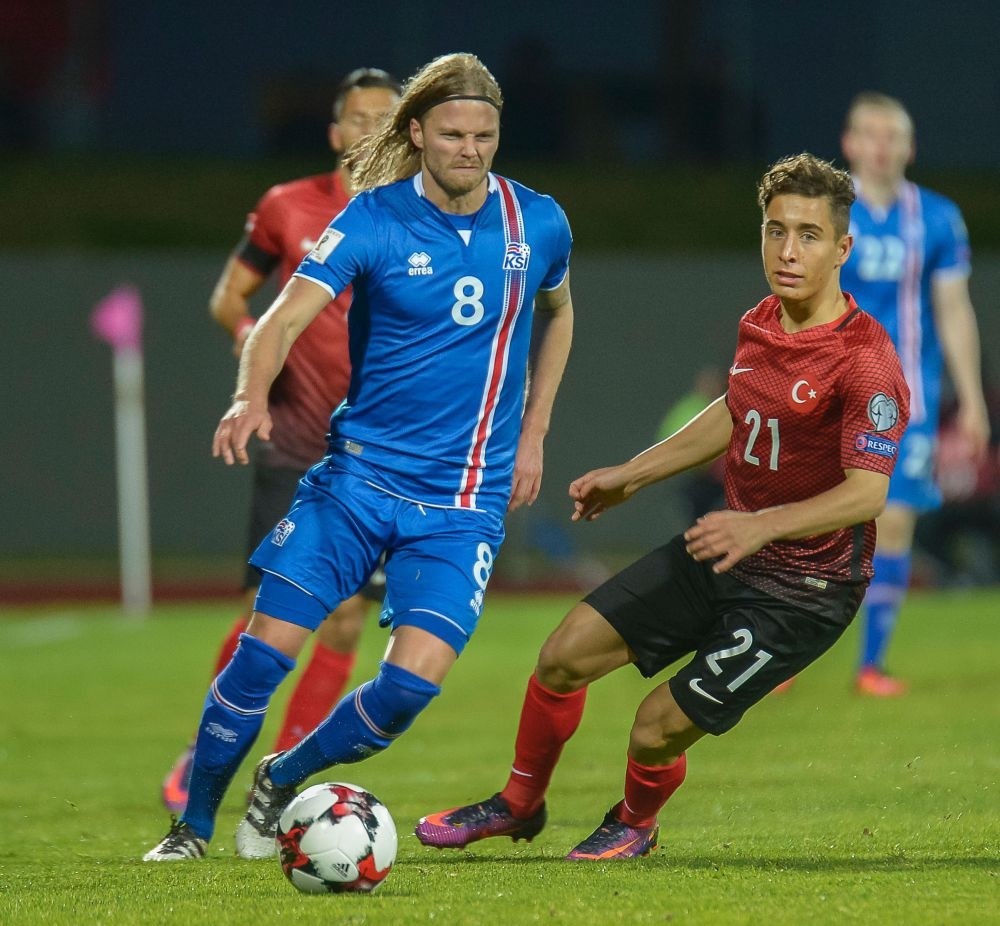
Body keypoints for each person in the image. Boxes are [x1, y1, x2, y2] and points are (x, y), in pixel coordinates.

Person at [414, 152, 910, 861]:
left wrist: (761, 525)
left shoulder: (865, 359)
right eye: (775, 231)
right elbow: (736, 408)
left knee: (654, 728)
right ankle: (518, 804)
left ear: (842, 248)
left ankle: (635, 822)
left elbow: (868, 492)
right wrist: (633, 476)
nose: (788, 251)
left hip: (804, 588)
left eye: (808, 235)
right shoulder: (762, 320)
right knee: (562, 657)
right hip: (725, 549)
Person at [144, 51, 575, 862]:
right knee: (260, 656)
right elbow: (280, 318)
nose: (470, 150)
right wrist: (248, 396)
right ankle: (191, 829)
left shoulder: (539, 222)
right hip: (358, 482)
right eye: (452, 134)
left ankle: (284, 776)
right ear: (417, 134)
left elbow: (559, 312)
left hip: (463, 500)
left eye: (484, 136)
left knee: (409, 688)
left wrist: (536, 432)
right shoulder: (372, 219)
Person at [160, 68, 402, 815]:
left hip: (376, 449)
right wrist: (252, 344)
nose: (371, 129)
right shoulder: (286, 207)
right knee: (268, 608)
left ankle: (283, 771)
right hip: (295, 439)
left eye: (386, 118)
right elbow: (229, 296)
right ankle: (204, 749)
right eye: (358, 117)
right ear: (335, 132)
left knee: (348, 618)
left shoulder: (420, 217)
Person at [839, 92, 990, 696]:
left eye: (892, 135)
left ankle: (870, 665)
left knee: (894, 521)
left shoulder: (937, 217)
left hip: (907, 399)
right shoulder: (827, 211)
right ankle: (781, 654)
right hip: (827, 392)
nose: (881, 146)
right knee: (804, 527)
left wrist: (972, 398)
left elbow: (954, 309)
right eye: (870, 134)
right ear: (850, 144)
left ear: (910, 146)